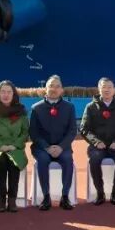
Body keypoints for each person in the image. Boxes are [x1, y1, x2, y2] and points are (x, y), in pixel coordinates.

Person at [80, 77, 115, 205]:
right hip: (98, 146)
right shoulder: (91, 107)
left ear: (114, 89)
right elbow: (84, 129)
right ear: (99, 89)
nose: (106, 90)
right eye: (103, 87)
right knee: (94, 160)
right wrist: (96, 142)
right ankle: (100, 193)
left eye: (109, 87)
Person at [29, 75, 77, 211]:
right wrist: (47, 147)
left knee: (67, 159)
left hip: (63, 147)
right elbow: (34, 133)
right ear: (45, 88)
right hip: (42, 148)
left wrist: (61, 147)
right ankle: (46, 197)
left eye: (57, 86)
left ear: (62, 90)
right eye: (51, 86)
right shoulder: (36, 108)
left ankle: (65, 197)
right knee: (43, 160)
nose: (54, 89)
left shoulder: (69, 107)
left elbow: (72, 131)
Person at [0, 80, 29, 212]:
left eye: (9, 92)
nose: (6, 95)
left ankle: (12, 199)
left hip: (15, 148)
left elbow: (25, 132)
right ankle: (1, 199)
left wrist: (15, 145)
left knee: (14, 163)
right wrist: (0, 146)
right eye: (3, 92)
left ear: (14, 94)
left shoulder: (21, 111)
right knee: (0, 161)